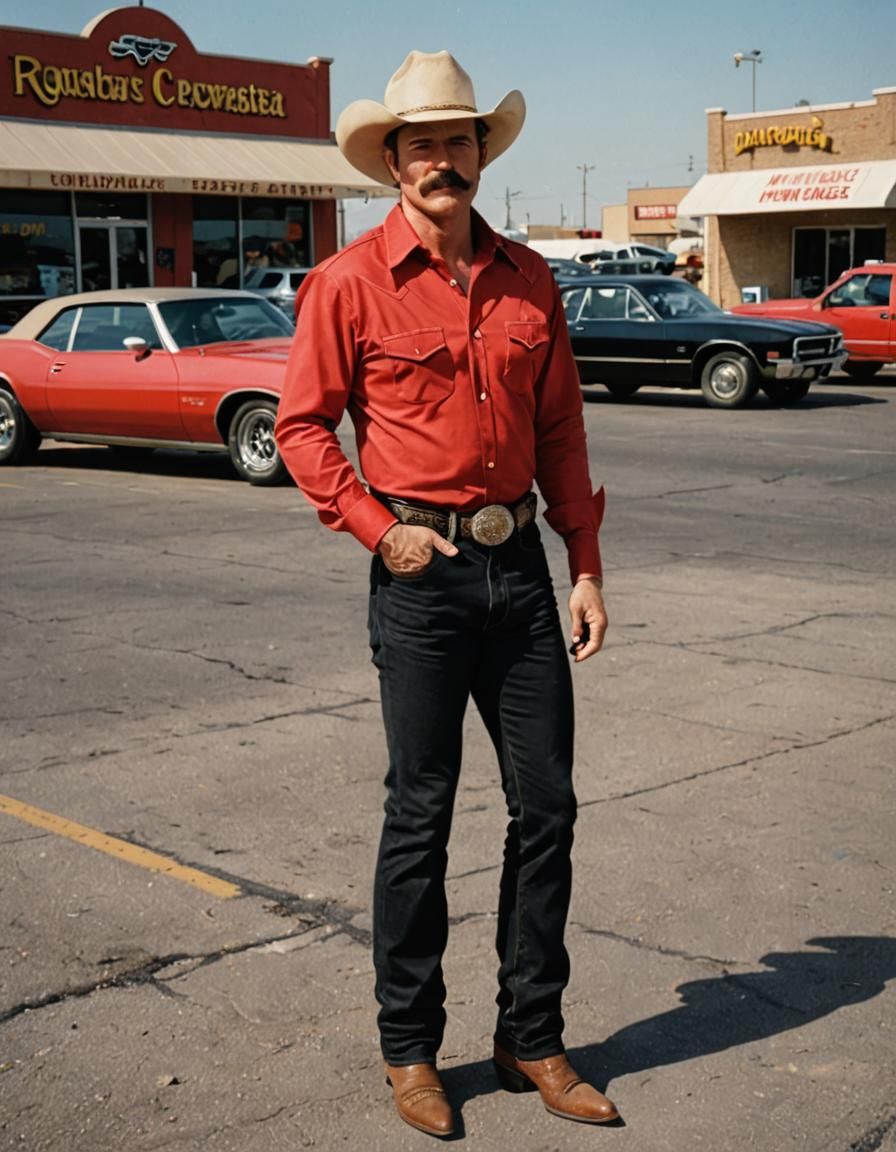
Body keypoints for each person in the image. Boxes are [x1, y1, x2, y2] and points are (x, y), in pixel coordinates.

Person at [275, 50, 618, 1138]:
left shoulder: (529, 280)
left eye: (457, 141)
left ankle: (531, 1036)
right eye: (421, 144)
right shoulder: (347, 282)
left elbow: (561, 430)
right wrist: (379, 531)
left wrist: (585, 565)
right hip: (419, 577)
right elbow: (299, 427)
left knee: (547, 808)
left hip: (520, 574)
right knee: (419, 815)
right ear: (392, 162)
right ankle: (410, 1048)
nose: (441, 160)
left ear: (480, 155)